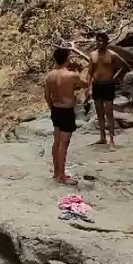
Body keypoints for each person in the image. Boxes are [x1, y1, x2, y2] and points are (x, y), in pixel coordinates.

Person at [44, 46, 88, 185]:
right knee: (64, 144)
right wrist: (76, 72)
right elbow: (85, 84)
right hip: (67, 111)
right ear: (67, 59)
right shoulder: (71, 75)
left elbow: (47, 96)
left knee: (56, 142)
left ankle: (56, 172)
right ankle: (62, 175)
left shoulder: (50, 76)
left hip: (56, 110)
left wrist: (53, 108)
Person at [88, 32, 130, 147]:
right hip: (96, 85)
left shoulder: (112, 54)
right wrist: (87, 88)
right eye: (98, 40)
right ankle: (102, 137)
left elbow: (123, 65)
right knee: (99, 113)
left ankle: (111, 140)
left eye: (102, 40)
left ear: (107, 42)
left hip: (108, 85)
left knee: (109, 113)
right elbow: (90, 72)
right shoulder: (92, 55)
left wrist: (114, 77)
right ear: (96, 41)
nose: (100, 42)